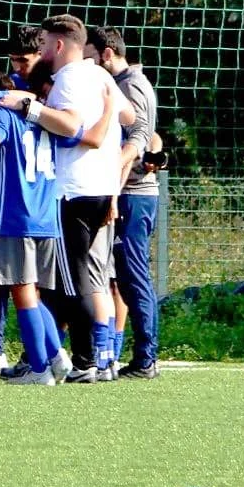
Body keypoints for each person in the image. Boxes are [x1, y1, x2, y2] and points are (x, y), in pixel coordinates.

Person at [0, 15, 134, 382]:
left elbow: (73, 125)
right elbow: (128, 114)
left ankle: (86, 361)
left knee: (71, 282)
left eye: (43, 42)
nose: (40, 49)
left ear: (58, 45)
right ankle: (88, 358)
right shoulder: (99, 74)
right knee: (81, 279)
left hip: (72, 190)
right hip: (101, 187)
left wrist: (30, 109)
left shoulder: (69, 78)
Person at [0, 69, 68, 385]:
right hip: (47, 215)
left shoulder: (5, 112)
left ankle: (40, 369)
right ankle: (56, 354)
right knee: (35, 292)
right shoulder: (48, 116)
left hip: (17, 214)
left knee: (22, 292)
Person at [87, 25, 161, 380]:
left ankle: (146, 358)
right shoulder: (129, 81)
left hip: (133, 194)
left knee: (134, 277)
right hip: (128, 192)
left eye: (90, 56)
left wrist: (115, 187)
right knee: (122, 278)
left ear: (106, 54)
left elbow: (140, 135)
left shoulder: (129, 84)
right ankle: (125, 354)